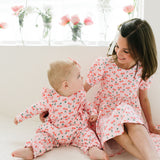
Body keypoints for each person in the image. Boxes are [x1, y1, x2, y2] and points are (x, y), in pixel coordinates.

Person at [83, 18, 160, 160]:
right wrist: (54, 109)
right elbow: (81, 91)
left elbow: (143, 98)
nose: (118, 53)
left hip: (130, 115)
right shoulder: (103, 64)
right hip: (107, 114)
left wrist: (150, 125)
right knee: (115, 127)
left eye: (126, 51)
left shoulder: (142, 69)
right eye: (117, 46)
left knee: (127, 113)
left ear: (141, 51)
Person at [11, 60, 108, 160]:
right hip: (54, 132)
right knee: (41, 137)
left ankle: (93, 150)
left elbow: (87, 106)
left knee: (88, 135)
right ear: (66, 85)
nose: (82, 78)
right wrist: (20, 117)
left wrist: (93, 113)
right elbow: (35, 108)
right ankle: (30, 150)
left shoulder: (79, 95)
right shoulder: (51, 98)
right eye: (78, 76)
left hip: (76, 130)